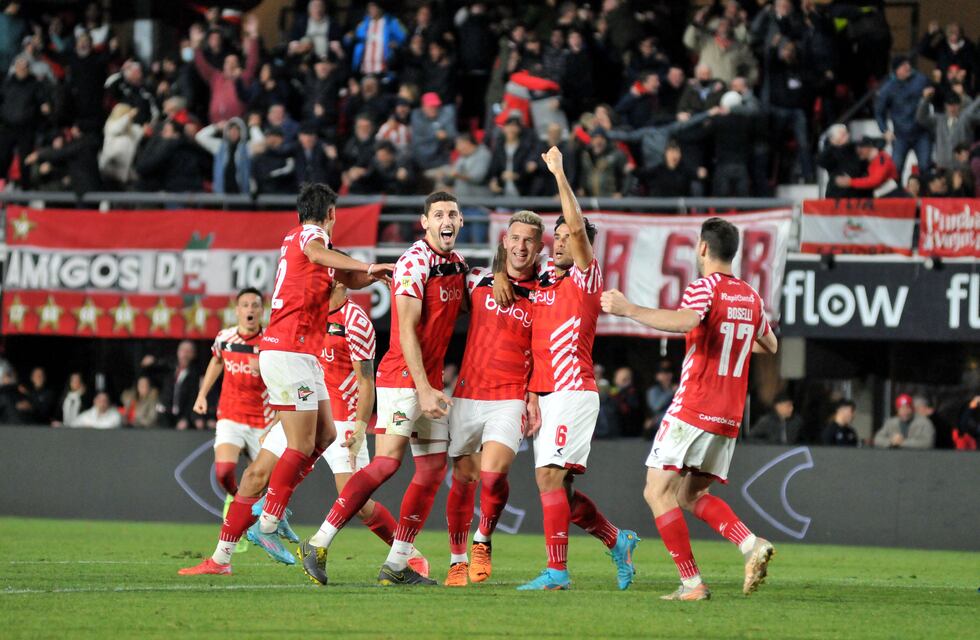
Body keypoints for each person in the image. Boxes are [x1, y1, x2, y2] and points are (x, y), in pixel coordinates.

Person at [179, 280, 429, 579]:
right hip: (304, 407)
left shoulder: (356, 321)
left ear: (337, 280)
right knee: (254, 475)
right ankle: (221, 558)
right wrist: (275, 420)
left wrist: (361, 427)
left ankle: (409, 555)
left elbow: (366, 382)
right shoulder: (307, 313)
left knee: (357, 503)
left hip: (345, 419)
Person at [601, 216, 778, 601]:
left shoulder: (704, 288)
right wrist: (737, 337)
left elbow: (685, 321)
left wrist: (629, 308)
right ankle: (750, 544)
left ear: (702, 248)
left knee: (656, 491)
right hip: (729, 417)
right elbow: (771, 345)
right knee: (689, 496)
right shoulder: (750, 296)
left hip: (694, 407)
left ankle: (692, 583)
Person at [299, 192, 466, 587]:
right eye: (438, 214)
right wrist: (423, 388)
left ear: (460, 223)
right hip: (403, 378)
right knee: (389, 462)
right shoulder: (414, 261)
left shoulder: (455, 265)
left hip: (430, 381)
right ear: (424, 222)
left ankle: (397, 563)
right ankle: (319, 542)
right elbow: (405, 327)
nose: (447, 219)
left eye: (453, 214)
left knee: (430, 470)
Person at [501, 147, 639, 592]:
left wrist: (559, 173)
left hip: (573, 389)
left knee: (547, 478)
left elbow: (578, 227)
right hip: (546, 393)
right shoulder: (543, 279)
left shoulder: (586, 275)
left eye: (566, 235)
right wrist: (499, 275)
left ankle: (557, 572)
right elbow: (511, 266)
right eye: (555, 236)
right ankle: (617, 541)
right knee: (562, 490)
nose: (559, 240)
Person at [247, 183, 392, 565]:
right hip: (288, 349)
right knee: (299, 443)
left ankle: (271, 506)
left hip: (301, 354)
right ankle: (266, 523)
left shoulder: (311, 252)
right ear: (330, 214)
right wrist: (366, 265)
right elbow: (320, 252)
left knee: (325, 435)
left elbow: (348, 278)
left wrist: (375, 275)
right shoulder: (311, 236)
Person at [442, 211, 545, 587]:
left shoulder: (545, 292)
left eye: (528, 241)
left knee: (493, 472)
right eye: (515, 239)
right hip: (469, 392)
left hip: (511, 396)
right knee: (464, 477)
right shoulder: (478, 281)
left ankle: (483, 539)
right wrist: (498, 273)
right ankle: (456, 560)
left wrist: (534, 395)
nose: (521, 246)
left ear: (539, 247)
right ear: (504, 241)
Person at [193, 288, 272, 509]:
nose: (250, 309)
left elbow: (283, 378)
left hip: (263, 422)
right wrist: (202, 395)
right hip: (231, 415)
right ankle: (236, 499)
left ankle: (244, 525)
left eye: (255, 305)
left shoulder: (270, 342)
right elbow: (217, 361)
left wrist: (265, 367)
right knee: (224, 471)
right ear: (237, 310)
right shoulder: (224, 338)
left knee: (261, 483)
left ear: (261, 311)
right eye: (245, 305)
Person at [192, 15, 260, 124]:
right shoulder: (216, 77)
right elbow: (201, 64)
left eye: (234, 62)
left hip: (236, 127)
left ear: (238, 66)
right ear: (223, 66)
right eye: (228, 62)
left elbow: (252, 61)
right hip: (216, 126)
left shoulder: (243, 77)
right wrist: (196, 45)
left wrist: (253, 35)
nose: (231, 65)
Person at [875, 55, 930, 175]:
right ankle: (897, 193)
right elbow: (879, 112)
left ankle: (925, 193)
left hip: (921, 132)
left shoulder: (922, 80)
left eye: (907, 64)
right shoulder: (888, 88)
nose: (907, 67)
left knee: (925, 166)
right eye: (903, 65)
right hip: (900, 135)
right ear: (896, 70)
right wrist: (885, 130)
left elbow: (936, 95)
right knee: (896, 169)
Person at [916, 88, 980, 170]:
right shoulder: (939, 120)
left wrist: (978, 101)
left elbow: (971, 112)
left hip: (962, 167)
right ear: (945, 106)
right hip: (943, 167)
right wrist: (925, 99)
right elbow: (921, 118)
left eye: (955, 105)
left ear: (959, 105)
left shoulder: (966, 119)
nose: (952, 108)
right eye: (949, 105)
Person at [835, 137, 899, 197]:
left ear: (870, 147)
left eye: (861, 147)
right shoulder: (868, 161)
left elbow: (875, 180)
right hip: (882, 193)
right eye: (857, 147)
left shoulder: (881, 158)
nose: (858, 150)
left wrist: (850, 182)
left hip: (891, 194)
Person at [817, 124, 868, 198]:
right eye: (841, 134)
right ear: (834, 138)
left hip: (855, 193)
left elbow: (862, 167)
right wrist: (833, 144)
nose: (845, 136)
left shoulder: (855, 148)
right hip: (836, 193)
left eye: (846, 133)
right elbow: (821, 161)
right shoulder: (831, 151)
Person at [644, 360, 676, 439]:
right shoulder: (653, 390)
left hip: (675, 426)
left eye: (668, 373)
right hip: (659, 426)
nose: (667, 376)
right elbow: (656, 406)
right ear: (657, 376)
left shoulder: (678, 388)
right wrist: (671, 392)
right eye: (663, 373)